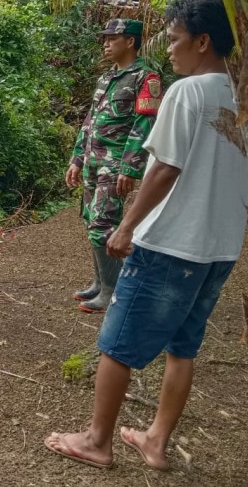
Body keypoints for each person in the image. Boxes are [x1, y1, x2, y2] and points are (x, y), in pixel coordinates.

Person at [45, 0, 248, 470]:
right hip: (220, 247)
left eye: (177, 39)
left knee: (116, 345)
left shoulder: (186, 91)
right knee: (183, 346)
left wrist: (127, 226)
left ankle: (97, 442)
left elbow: (165, 167)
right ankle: (156, 440)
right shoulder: (242, 93)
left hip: (172, 243)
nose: (171, 48)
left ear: (203, 41)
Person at [66, 18, 162, 313]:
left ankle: (112, 292)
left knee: (102, 225)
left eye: (112, 38)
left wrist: (130, 167)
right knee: (90, 220)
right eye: (105, 38)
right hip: (94, 162)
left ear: (130, 41)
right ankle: (100, 283)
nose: (106, 44)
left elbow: (144, 124)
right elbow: (90, 120)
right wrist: (77, 158)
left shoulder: (146, 79)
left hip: (115, 163)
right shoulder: (107, 78)